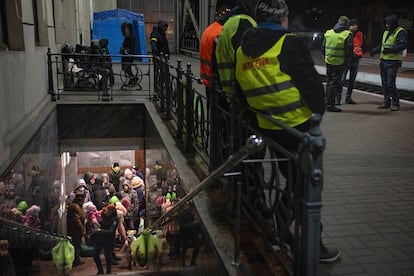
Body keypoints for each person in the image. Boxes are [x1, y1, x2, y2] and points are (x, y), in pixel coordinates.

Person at [234, 0, 339, 263]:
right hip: (300, 130)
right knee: (306, 186)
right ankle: (307, 243)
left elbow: (240, 95)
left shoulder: (242, 49)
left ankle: (281, 232)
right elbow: (314, 90)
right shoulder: (289, 44)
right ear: (283, 18)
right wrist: (317, 116)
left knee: (294, 182)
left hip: (269, 129)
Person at [370, 14, 408, 111]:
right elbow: (382, 45)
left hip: (393, 62)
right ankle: (386, 102)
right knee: (385, 83)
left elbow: (403, 45)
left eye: (388, 24)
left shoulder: (400, 32)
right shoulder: (386, 32)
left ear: (394, 24)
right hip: (383, 61)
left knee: (390, 83)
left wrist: (390, 50)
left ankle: (395, 103)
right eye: (386, 23)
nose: (387, 25)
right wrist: (374, 51)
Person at [321, 15, 354, 112]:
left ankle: (326, 102)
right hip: (340, 62)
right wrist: (346, 60)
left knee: (329, 82)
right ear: (347, 24)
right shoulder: (348, 34)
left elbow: (322, 47)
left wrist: (327, 56)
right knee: (334, 84)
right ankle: (330, 105)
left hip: (329, 61)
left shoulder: (329, 32)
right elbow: (349, 50)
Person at [337, 18, 365, 105]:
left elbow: (363, 45)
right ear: (349, 26)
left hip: (355, 60)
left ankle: (348, 98)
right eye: (353, 25)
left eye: (356, 25)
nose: (355, 26)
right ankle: (338, 98)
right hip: (346, 60)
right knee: (342, 80)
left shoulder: (360, 34)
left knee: (352, 80)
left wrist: (361, 53)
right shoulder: (346, 34)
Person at [91, 203, 118, 275]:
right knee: (95, 254)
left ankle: (109, 272)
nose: (105, 212)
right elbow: (93, 214)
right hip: (99, 238)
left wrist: (100, 231)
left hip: (108, 240)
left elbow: (111, 231)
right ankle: (100, 270)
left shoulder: (115, 219)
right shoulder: (103, 214)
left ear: (111, 212)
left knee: (108, 256)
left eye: (107, 211)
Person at [67, 188, 86, 267]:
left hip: (76, 230)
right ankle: (75, 260)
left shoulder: (78, 206)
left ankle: (76, 258)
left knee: (77, 245)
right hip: (75, 230)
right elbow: (76, 220)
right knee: (76, 245)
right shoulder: (75, 207)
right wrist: (81, 228)